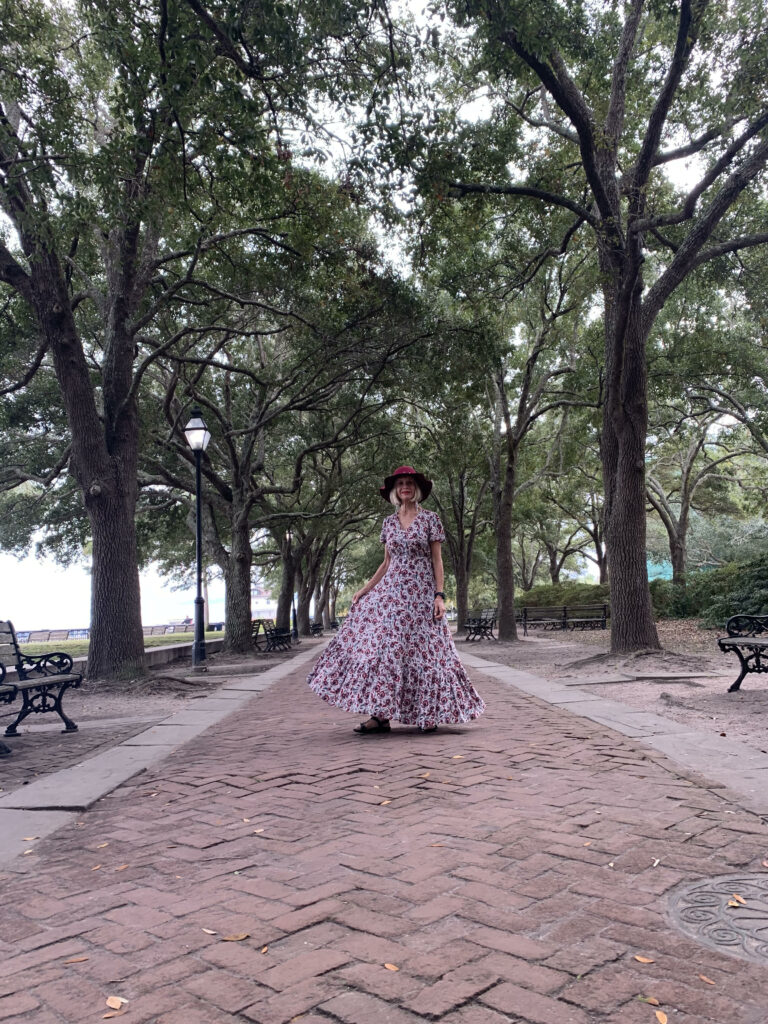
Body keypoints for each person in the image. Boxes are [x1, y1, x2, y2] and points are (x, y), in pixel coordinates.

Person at [307, 466, 485, 733]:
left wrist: (439, 594)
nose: (405, 487)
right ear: (395, 490)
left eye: (409, 483)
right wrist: (365, 589)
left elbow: (437, 561)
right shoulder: (388, 523)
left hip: (421, 595)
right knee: (387, 652)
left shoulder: (430, 520)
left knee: (427, 653)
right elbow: (386, 562)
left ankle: (428, 713)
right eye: (401, 483)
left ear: (417, 489)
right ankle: (380, 716)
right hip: (391, 597)